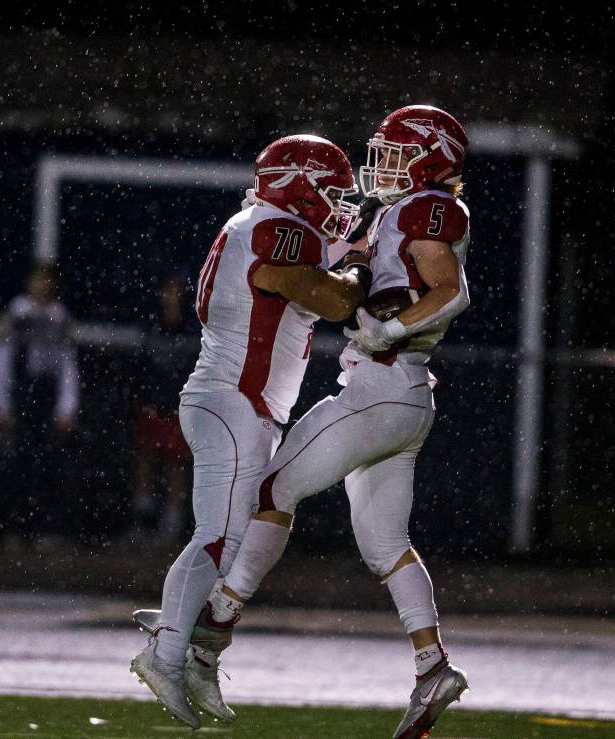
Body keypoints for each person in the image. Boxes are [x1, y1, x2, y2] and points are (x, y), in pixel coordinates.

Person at [196, 105, 473, 739]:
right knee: (383, 545)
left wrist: (391, 326)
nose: (383, 165)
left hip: (378, 390)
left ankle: (215, 627)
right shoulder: (403, 213)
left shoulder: (423, 207)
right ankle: (432, 665)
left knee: (272, 489)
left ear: (431, 156)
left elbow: (451, 290)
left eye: (396, 152)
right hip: (406, 400)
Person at [130, 134, 367, 729]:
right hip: (234, 401)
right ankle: (166, 651)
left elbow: (316, 267)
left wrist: (351, 244)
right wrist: (362, 269)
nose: (337, 203)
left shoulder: (261, 223)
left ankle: (188, 645)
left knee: (235, 534)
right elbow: (328, 299)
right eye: (330, 191)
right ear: (298, 183)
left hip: (238, 403)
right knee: (220, 539)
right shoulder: (274, 229)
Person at [0, 265, 80, 547]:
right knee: (17, 461)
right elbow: (1, 361)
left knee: (47, 461)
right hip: (21, 391)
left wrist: (66, 406)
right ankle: (15, 526)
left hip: (45, 394)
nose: (41, 286)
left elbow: (67, 366)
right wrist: (0, 401)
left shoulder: (59, 317)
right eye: (37, 280)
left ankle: (45, 526)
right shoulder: (15, 315)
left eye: (47, 281)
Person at [128, 275, 198, 541]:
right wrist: (143, 401)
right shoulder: (150, 327)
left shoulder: (191, 332)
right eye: (166, 292)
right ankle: (142, 521)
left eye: (175, 292)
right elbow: (141, 368)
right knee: (145, 458)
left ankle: (171, 526)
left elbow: (193, 368)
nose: (170, 297)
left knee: (177, 465)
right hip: (151, 405)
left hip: (178, 407)